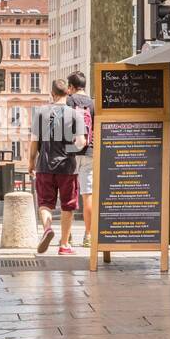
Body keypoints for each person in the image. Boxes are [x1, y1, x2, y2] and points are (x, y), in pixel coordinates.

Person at [28, 79, 86, 255]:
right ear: (68, 93)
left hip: (45, 166)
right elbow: (81, 142)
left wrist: (31, 162)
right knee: (68, 206)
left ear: (52, 94)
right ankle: (64, 245)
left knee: (45, 204)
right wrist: (69, 149)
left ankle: (47, 228)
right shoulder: (76, 114)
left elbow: (34, 142)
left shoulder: (40, 112)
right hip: (68, 168)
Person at [65, 70, 95, 247]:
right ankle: (88, 235)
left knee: (69, 192)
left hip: (70, 151)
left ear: (71, 87)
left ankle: (67, 234)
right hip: (90, 152)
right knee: (87, 194)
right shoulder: (93, 103)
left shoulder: (69, 101)